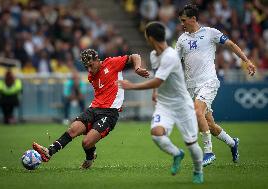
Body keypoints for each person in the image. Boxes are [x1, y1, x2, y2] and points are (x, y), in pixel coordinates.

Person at [32, 49, 149, 169]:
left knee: (86, 143)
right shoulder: (91, 77)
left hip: (109, 114)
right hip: (93, 108)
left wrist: (137, 68)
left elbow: (135, 56)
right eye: (86, 67)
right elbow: (105, 91)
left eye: (91, 65)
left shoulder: (112, 63)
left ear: (97, 60)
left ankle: (90, 157)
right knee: (73, 129)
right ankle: (49, 151)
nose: (89, 70)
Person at [118, 22, 203, 184]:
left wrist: (132, 86)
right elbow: (159, 77)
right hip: (165, 104)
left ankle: (198, 171)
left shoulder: (170, 56)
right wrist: (156, 92)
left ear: (150, 38)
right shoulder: (153, 55)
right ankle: (177, 153)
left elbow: (157, 81)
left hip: (182, 105)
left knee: (191, 145)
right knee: (157, 133)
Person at [176, 4, 256, 166]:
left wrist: (246, 61)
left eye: (184, 20)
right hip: (192, 86)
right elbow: (174, 62)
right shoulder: (182, 39)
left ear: (193, 19)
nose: (182, 24)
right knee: (209, 125)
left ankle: (208, 152)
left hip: (209, 82)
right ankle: (233, 143)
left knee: (197, 111)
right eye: (180, 21)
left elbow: (231, 45)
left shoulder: (210, 33)